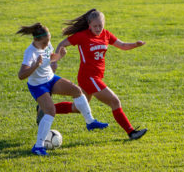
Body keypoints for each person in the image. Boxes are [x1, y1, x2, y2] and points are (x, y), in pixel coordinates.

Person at [52, 9, 148, 140]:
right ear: (89, 24)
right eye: (95, 26)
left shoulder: (106, 34)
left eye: (100, 26)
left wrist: (136, 45)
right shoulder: (82, 35)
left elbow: (123, 45)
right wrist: (56, 58)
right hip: (88, 77)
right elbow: (62, 43)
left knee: (77, 107)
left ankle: (46, 108)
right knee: (115, 101)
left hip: (95, 77)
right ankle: (131, 132)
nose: (98, 28)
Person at [17, 23, 108, 156]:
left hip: (51, 79)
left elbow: (50, 57)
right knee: (50, 111)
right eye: (44, 43)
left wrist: (59, 56)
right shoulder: (30, 52)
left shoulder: (46, 44)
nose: (47, 44)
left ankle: (90, 122)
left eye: (48, 41)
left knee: (77, 91)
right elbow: (21, 75)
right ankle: (38, 146)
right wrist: (35, 65)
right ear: (35, 40)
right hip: (38, 86)